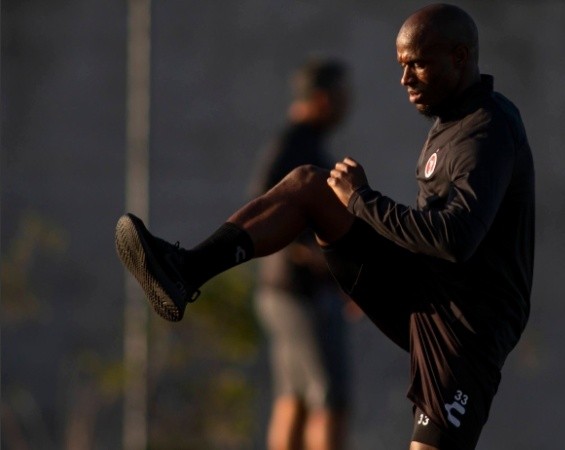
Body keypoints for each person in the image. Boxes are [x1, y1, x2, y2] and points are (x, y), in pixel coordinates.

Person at [114, 4, 535, 449]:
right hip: (421, 294)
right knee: (310, 186)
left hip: (465, 334)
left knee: (323, 400)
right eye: (401, 65)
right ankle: (186, 270)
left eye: (419, 63)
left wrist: (361, 200)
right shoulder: (445, 126)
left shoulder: (488, 130)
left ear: (460, 57)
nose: (405, 79)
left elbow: (456, 239)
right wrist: (353, 209)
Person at [249, 58, 355, 450]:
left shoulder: (302, 143)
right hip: (301, 295)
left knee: (293, 397)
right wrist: (334, 268)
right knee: (331, 398)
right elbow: (261, 210)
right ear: (323, 99)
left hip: (282, 292)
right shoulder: (296, 146)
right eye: (343, 96)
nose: (348, 105)